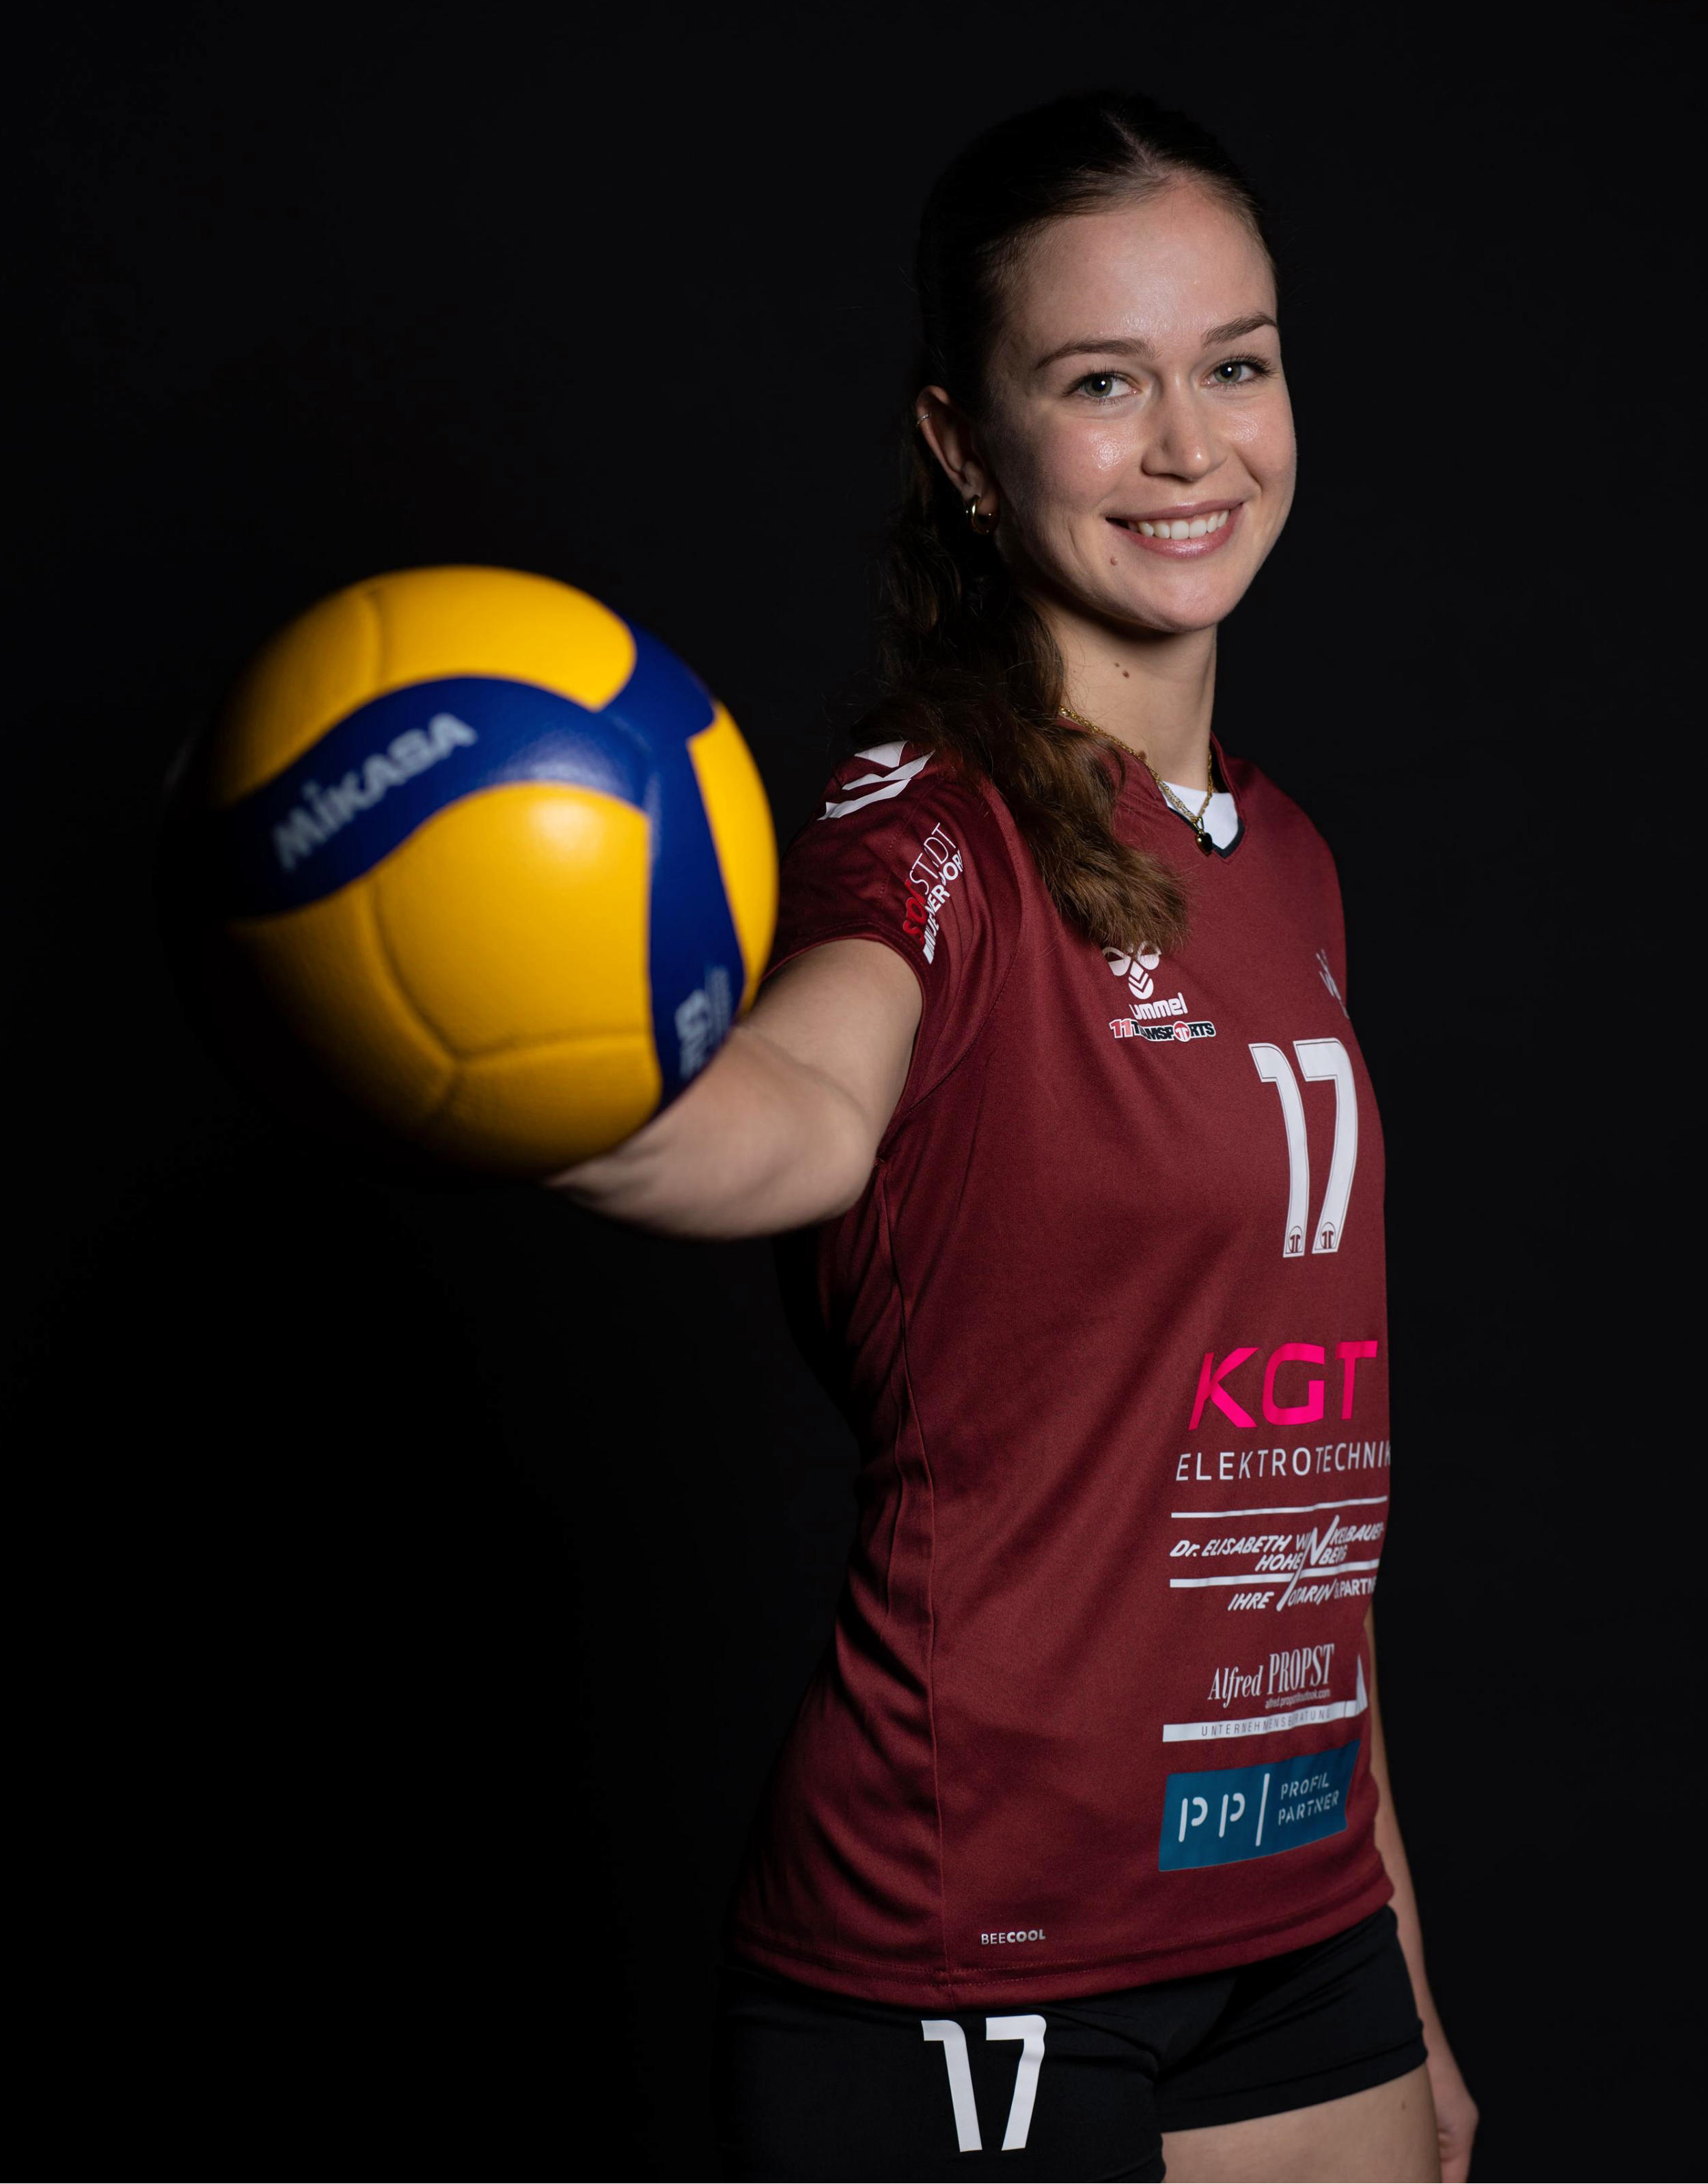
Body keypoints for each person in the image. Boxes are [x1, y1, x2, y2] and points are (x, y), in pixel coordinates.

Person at [557, 90, 1477, 2184]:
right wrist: (545, 1087)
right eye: (1099, 383)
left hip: (1296, 1918)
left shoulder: (1288, 859)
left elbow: (1287, 1492)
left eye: (1233, 365)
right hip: (967, 1938)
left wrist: (1404, 1968)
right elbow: (795, 1115)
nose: (1189, 447)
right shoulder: (927, 834)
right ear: (965, 446)